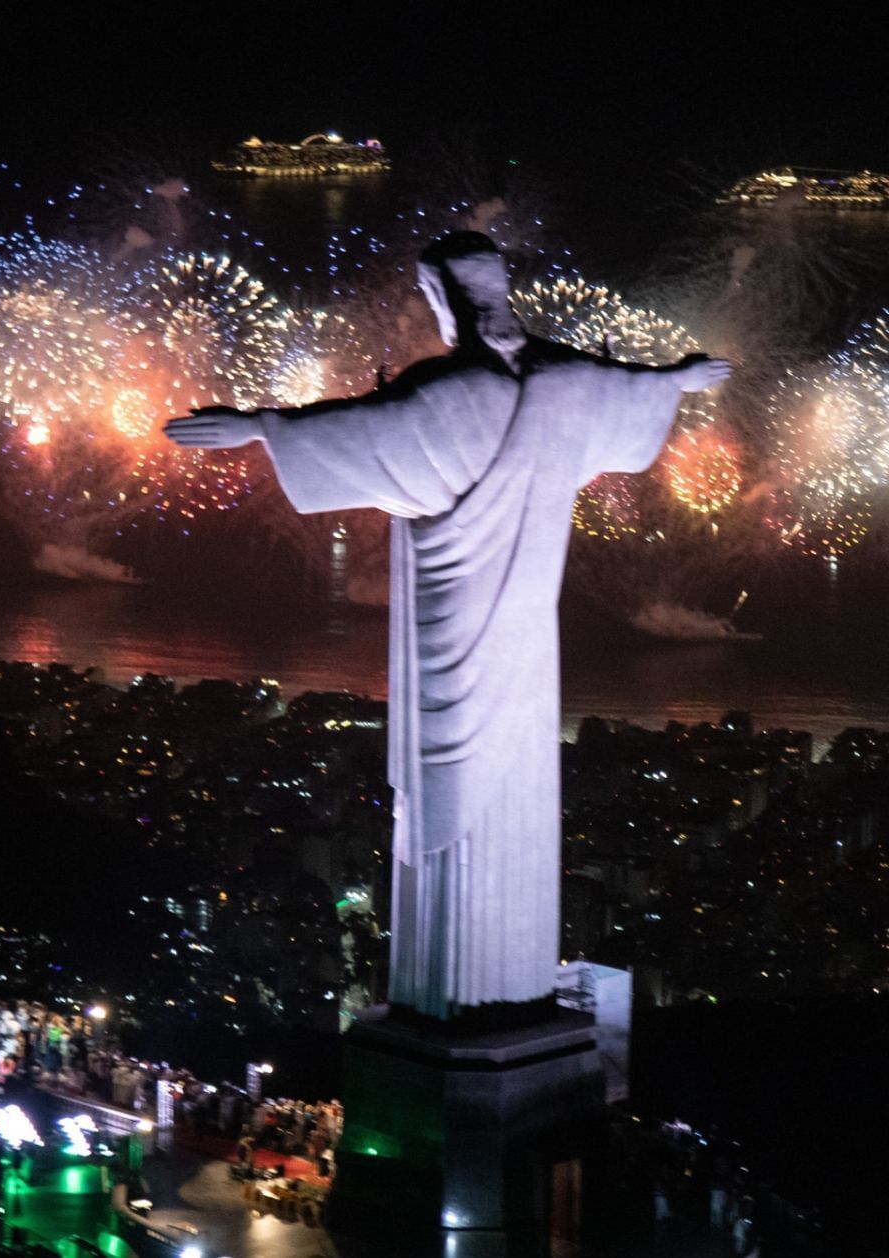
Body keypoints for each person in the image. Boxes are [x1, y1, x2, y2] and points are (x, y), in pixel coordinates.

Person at [166, 231, 730, 1018]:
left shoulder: (448, 394)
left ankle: (458, 1002)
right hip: (530, 647)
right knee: (511, 790)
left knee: (448, 797)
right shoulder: (568, 381)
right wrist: (679, 380)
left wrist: (261, 426)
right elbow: (630, 391)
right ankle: (502, 993)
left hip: (451, 630)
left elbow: (356, 430)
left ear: (440, 299)